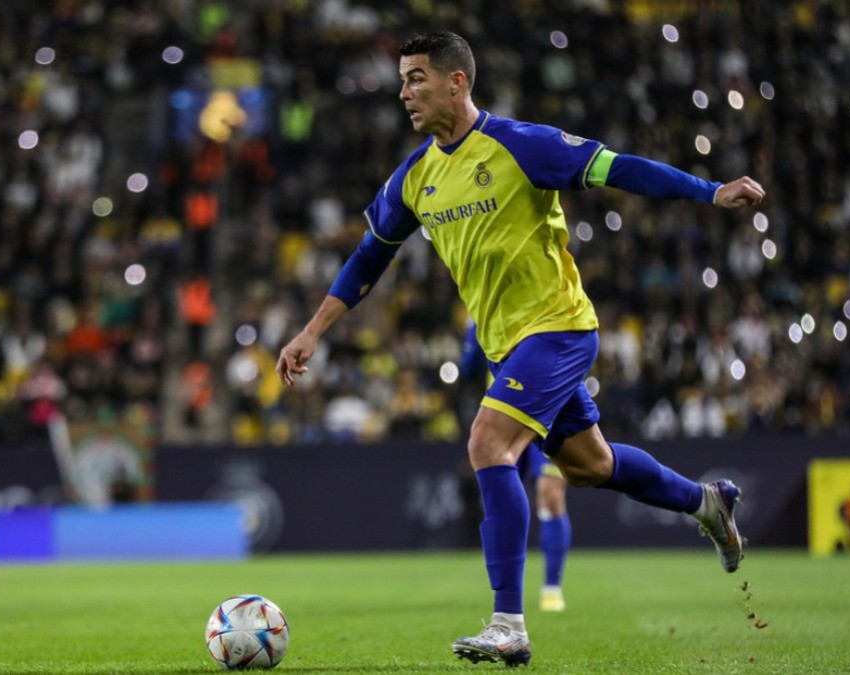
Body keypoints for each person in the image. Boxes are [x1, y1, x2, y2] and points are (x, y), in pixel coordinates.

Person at [277, 31, 764, 667]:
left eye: (416, 78)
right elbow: (370, 256)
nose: (404, 93)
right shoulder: (415, 178)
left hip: (558, 327)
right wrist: (314, 329)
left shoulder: (521, 145)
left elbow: (618, 168)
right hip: (508, 346)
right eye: (402, 80)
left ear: (457, 81)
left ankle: (508, 621)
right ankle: (708, 502)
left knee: (487, 442)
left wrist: (709, 191)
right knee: (591, 465)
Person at [462, 321, 570, 613]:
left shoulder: (543, 306)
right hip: (504, 418)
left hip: (547, 411)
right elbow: (467, 366)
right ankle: (507, 596)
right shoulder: (483, 315)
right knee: (501, 501)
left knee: (550, 493)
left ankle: (552, 586)